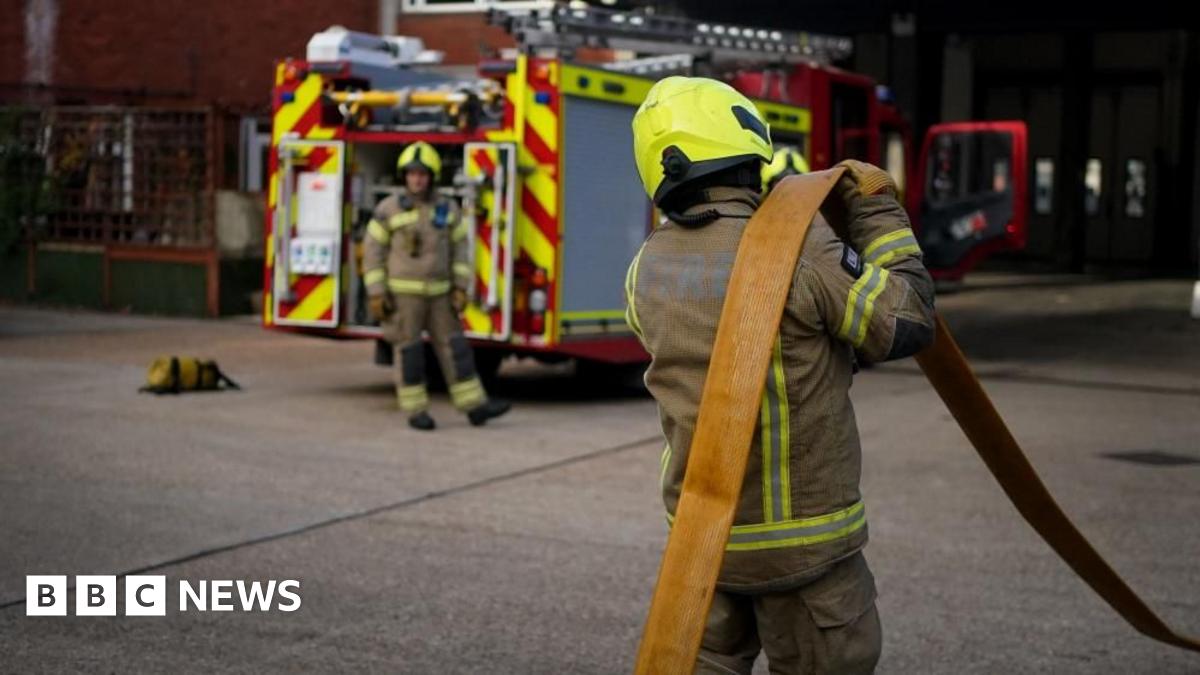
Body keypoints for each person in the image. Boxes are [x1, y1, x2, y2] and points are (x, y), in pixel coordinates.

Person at [625, 77, 936, 674]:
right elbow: (906, 321)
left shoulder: (646, 267)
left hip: (703, 550)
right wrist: (876, 213)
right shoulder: (800, 248)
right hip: (806, 553)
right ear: (746, 147)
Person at [363, 141, 510, 431]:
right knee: (411, 353)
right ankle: (416, 411)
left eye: (423, 174)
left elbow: (461, 250)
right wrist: (377, 293)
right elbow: (372, 252)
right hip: (404, 296)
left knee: (456, 350)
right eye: (412, 173)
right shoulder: (388, 209)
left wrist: (460, 287)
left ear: (432, 176)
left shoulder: (447, 208)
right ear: (404, 176)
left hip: (441, 295)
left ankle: (474, 407)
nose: (417, 179)